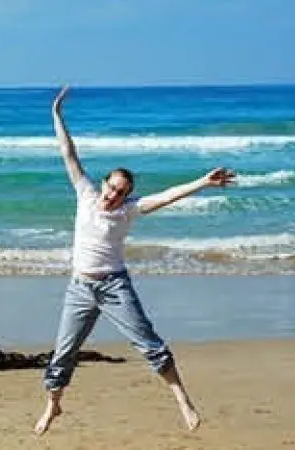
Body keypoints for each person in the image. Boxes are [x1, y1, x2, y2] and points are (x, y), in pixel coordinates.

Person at [34, 86, 235, 435]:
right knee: (62, 353)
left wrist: (204, 181)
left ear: (127, 195)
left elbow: (170, 196)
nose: (113, 195)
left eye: (121, 192)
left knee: (149, 343)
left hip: (114, 286)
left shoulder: (130, 211)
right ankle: (53, 405)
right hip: (80, 287)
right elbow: (68, 153)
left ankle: (182, 399)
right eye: (111, 188)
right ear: (104, 184)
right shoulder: (85, 194)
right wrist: (57, 115)